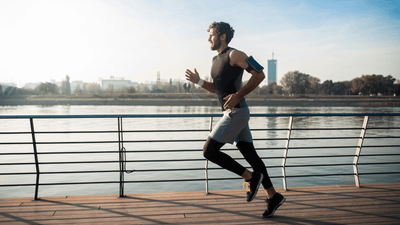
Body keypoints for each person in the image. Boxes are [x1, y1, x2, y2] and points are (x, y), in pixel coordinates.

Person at [185, 21, 285, 218]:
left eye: (211, 34)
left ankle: (249, 177)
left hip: (237, 113)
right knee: (251, 155)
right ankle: (272, 196)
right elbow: (218, 89)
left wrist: (239, 95)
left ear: (222, 36)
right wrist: (199, 82)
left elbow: (260, 74)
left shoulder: (235, 54)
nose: (208, 38)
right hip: (232, 113)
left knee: (209, 151)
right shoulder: (215, 60)